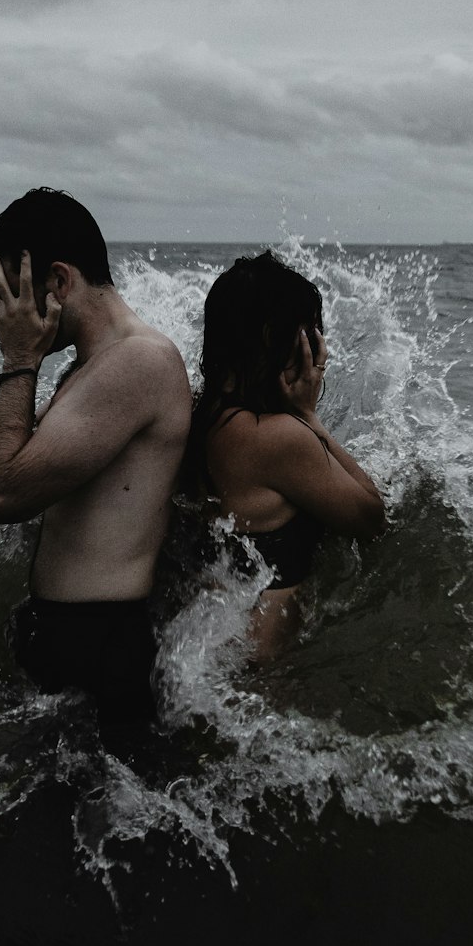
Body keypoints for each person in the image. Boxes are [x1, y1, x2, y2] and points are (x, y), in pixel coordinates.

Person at [0, 187, 191, 748]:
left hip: (102, 647)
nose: (4, 317)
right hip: (73, 637)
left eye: (13, 297)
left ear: (60, 282)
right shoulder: (90, 366)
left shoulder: (139, 361)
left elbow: (2, 495)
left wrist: (19, 360)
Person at [187, 251, 385, 660]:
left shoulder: (199, 417)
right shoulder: (275, 437)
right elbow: (371, 518)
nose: (317, 349)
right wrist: (309, 416)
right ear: (269, 339)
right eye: (308, 333)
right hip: (264, 669)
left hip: (215, 652)